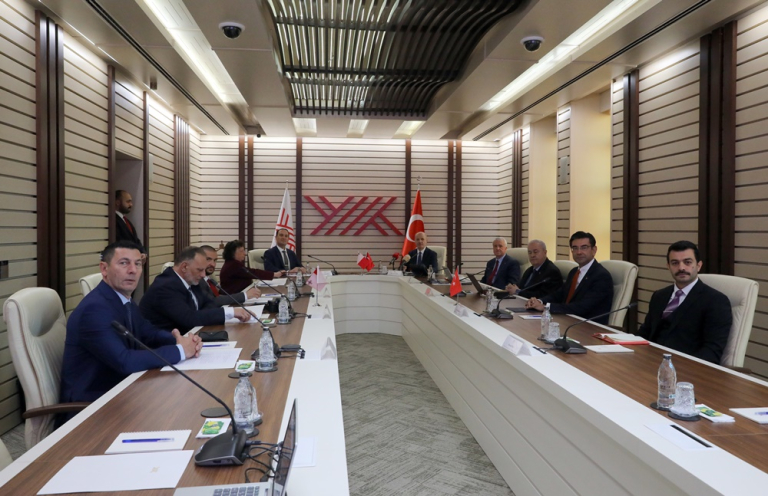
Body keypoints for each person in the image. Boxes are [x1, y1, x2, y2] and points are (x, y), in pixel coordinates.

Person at [59, 241, 202, 422]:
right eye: (124, 263)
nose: (133, 270)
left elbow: (148, 332)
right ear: (104, 269)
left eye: (138, 264)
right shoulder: (94, 309)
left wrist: (179, 340)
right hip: (92, 409)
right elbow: (124, 361)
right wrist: (180, 351)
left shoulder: (122, 298)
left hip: (124, 392)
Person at [637, 241, 732, 364]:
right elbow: (644, 333)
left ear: (698, 265)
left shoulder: (716, 301)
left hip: (684, 368)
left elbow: (712, 351)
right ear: (668, 266)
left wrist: (678, 368)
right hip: (649, 361)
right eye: (675, 263)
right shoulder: (659, 296)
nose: (681, 268)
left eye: (687, 262)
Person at [140, 246, 251, 334]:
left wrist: (200, 314)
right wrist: (230, 312)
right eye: (199, 270)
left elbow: (210, 303)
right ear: (184, 267)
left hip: (193, 335)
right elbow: (189, 319)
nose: (203, 275)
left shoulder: (191, 279)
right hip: (163, 346)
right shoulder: (165, 286)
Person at [526, 231, 614, 325]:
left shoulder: (601, 276)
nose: (579, 252)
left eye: (584, 247)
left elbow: (582, 307)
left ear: (594, 250)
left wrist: (546, 307)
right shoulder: (574, 272)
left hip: (588, 326)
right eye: (575, 248)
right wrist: (539, 301)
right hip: (568, 321)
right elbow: (559, 294)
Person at [219, 240, 284, 294]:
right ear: (232, 253)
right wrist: (274, 274)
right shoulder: (233, 265)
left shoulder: (231, 263)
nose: (244, 253)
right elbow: (253, 272)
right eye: (241, 251)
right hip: (233, 300)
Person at [114, 190, 146, 256]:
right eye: (128, 201)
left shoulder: (126, 221)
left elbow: (136, 240)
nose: (131, 204)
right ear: (117, 202)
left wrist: (143, 253)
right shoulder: (114, 220)